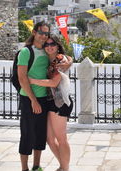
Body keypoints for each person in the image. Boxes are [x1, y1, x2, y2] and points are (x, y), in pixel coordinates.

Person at [29, 35, 74, 171]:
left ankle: (64, 168)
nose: (49, 46)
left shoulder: (60, 59)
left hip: (60, 102)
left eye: (52, 44)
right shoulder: (46, 58)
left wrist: (30, 80)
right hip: (49, 101)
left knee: (61, 139)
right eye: (46, 44)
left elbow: (54, 82)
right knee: (49, 139)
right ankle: (64, 166)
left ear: (57, 45)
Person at [17, 21, 52, 171]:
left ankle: (36, 166)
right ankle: (24, 168)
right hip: (28, 99)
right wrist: (33, 100)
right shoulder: (26, 52)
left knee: (40, 135)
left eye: (46, 33)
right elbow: (22, 77)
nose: (44, 36)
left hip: (44, 98)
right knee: (27, 134)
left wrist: (68, 61)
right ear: (34, 33)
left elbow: (61, 61)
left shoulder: (47, 51)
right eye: (41, 33)